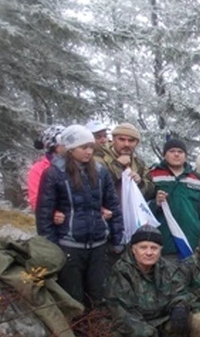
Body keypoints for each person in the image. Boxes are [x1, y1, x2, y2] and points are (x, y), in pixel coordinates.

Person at [36, 124, 123, 309]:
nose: (89, 152)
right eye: (83, 147)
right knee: (73, 297)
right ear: (70, 148)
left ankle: (99, 334)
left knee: (99, 296)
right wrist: (51, 246)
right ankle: (78, 335)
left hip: (99, 244)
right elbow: (44, 213)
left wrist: (117, 239)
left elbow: (113, 206)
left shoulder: (100, 172)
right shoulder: (54, 173)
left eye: (91, 147)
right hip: (69, 244)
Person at [106, 225, 186, 337]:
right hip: (131, 326)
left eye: (154, 248)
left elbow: (181, 292)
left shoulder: (167, 268)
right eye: (143, 247)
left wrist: (180, 306)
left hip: (158, 321)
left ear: (160, 250)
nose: (149, 253)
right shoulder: (121, 272)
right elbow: (123, 315)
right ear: (133, 249)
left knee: (185, 319)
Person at [149, 136, 200, 264]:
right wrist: (156, 204)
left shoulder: (197, 180)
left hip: (191, 243)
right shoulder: (153, 176)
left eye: (180, 152)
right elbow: (141, 209)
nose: (176, 154)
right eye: (172, 151)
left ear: (185, 155)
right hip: (163, 245)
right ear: (164, 155)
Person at [95, 122, 154, 198]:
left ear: (137, 143)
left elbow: (151, 192)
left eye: (131, 140)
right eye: (122, 139)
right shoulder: (99, 156)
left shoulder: (139, 164)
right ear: (113, 139)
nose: (126, 144)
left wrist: (140, 183)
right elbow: (98, 185)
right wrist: (118, 165)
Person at [28, 125, 65, 211]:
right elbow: (36, 201)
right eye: (63, 141)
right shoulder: (38, 169)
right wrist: (54, 213)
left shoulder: (75, 163)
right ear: (53, 145)